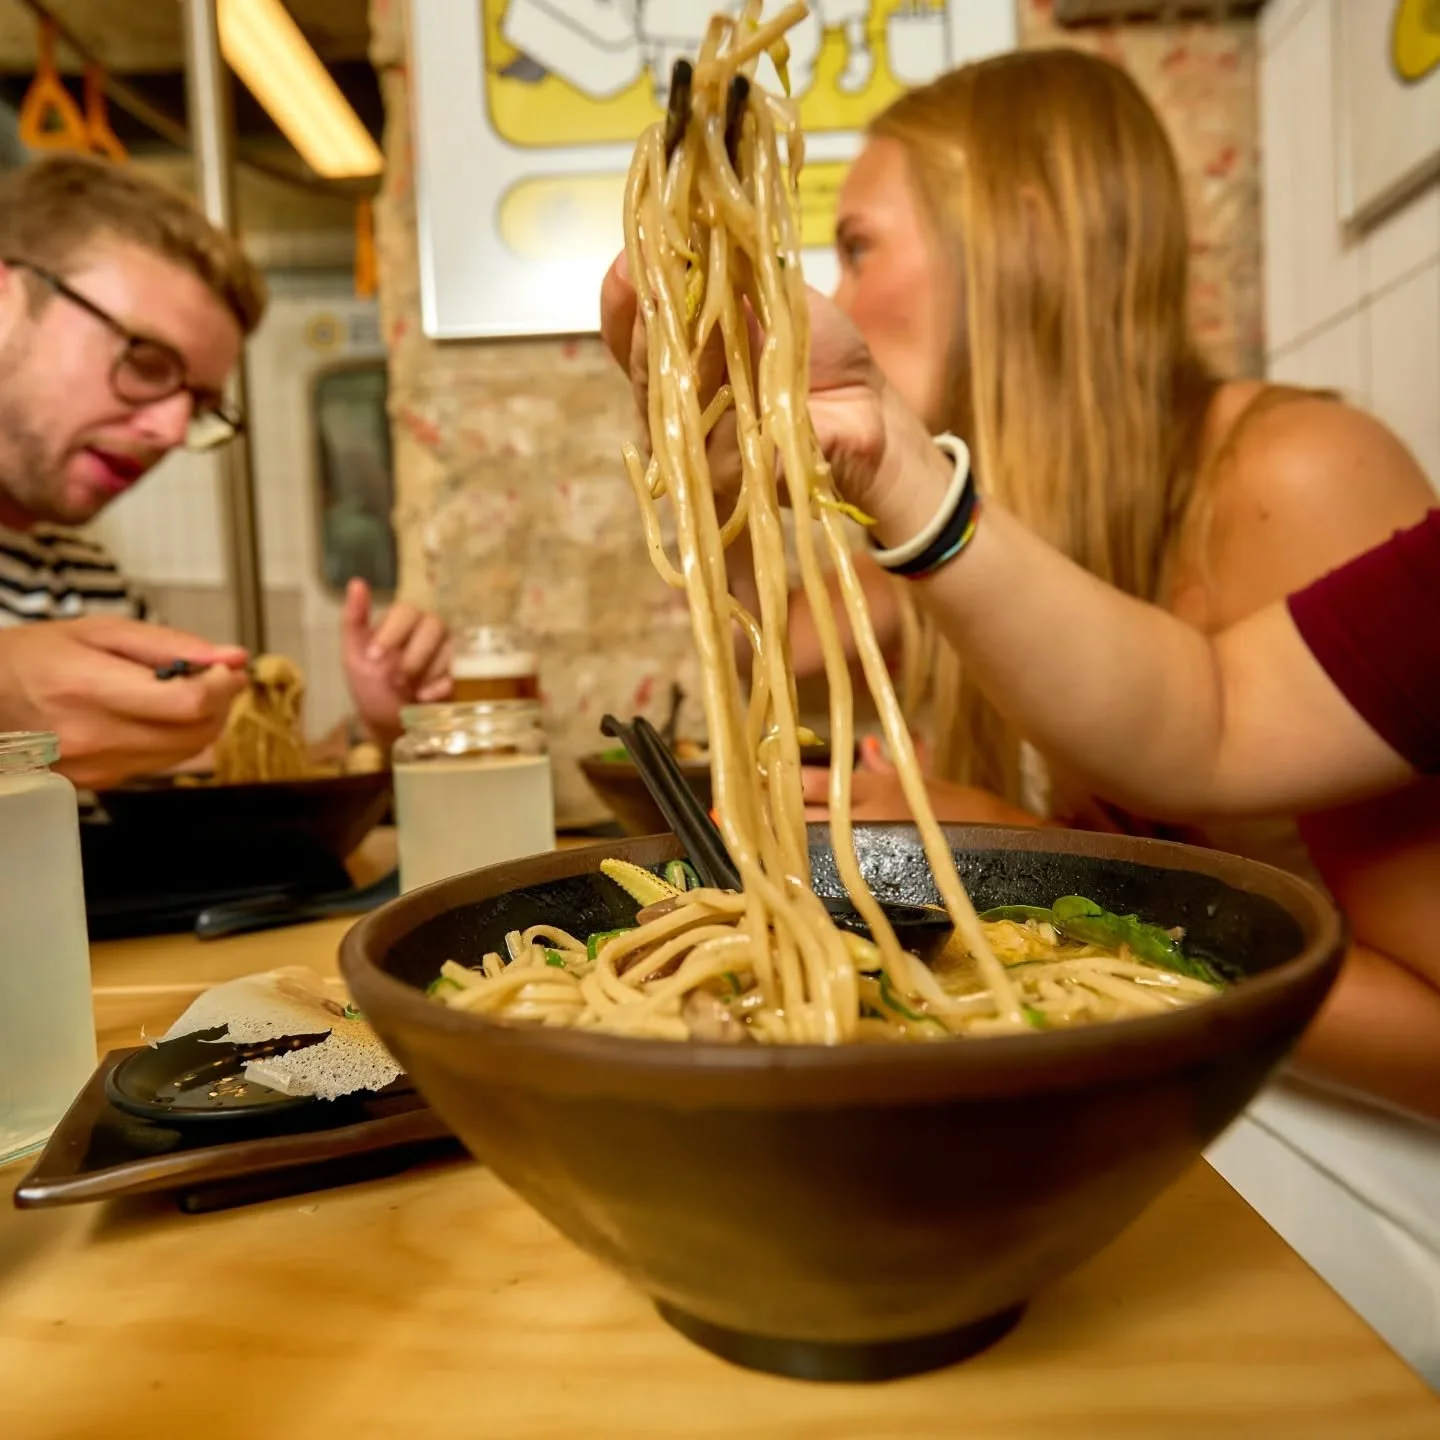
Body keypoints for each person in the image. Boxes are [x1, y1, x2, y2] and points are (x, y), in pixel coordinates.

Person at [0, 155, 449, 787]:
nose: (172, 431)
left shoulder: (81, 574)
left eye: (201, 405)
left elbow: (200, 777)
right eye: (147, 360)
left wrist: (375, 731)